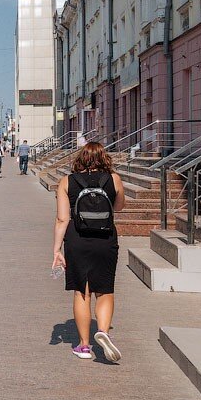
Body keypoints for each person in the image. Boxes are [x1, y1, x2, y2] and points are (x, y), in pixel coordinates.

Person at [53, 142, 126, 362]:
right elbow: (119, 207)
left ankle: (84, 346)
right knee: (105, 290)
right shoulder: (114, 179)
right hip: (106, 240)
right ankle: (103, 331)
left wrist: (57, 249)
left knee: (82, 292)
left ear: (81, 158)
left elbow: (62, 219)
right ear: (104, 158)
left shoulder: (67, 182)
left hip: (77, 240)